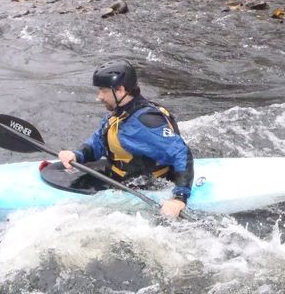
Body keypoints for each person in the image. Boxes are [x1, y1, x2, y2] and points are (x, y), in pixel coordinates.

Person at [58, 59, 194, 218]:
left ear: (120, 90)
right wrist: (78, 154)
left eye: (103, 90)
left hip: (144, 186)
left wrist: (179, 198)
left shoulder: (145, 121)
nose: (99, 97)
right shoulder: (121, 113)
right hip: (117, 177)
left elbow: (182, 153)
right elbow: (100, 141)